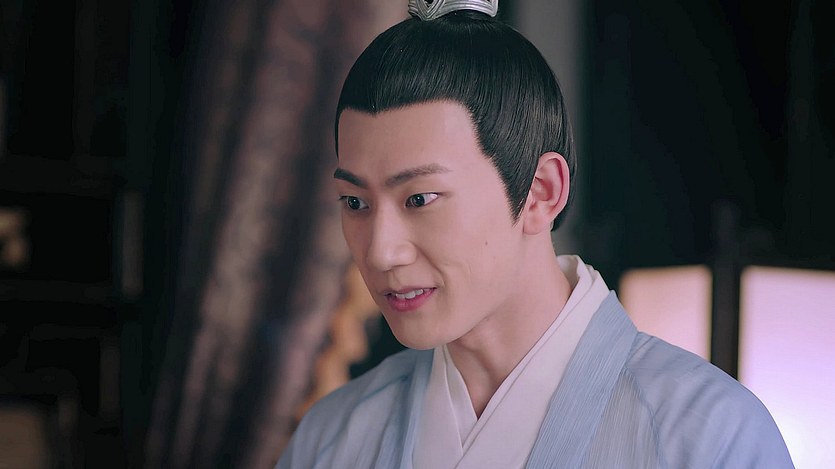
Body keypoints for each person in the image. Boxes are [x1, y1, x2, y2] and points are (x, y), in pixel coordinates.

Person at [277, 0, 794, 467]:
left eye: (419, 199)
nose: (380, 251)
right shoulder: (332, 438)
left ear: (541, 192)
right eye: (355, 203)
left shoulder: (707, 437)